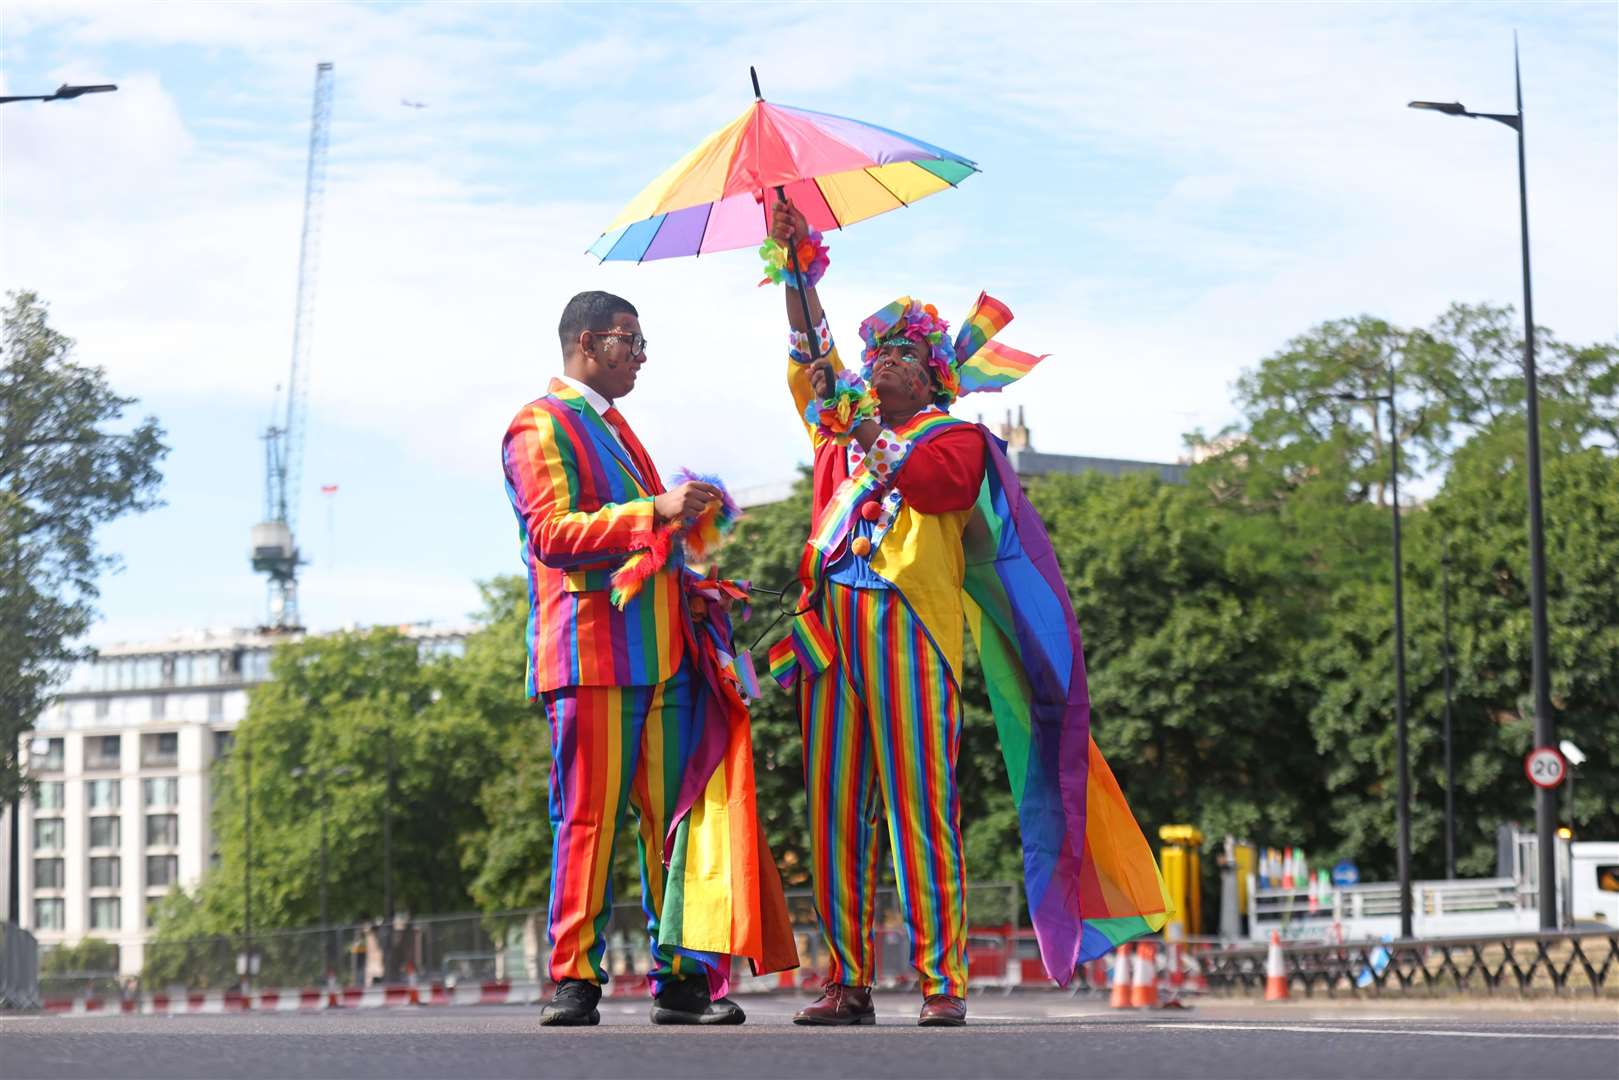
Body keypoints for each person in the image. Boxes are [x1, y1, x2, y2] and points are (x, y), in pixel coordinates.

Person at [763, 201, 1171, 1028]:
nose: (879, 363)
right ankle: (845, 978)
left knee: (921, 804)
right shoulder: (836, 429)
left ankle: (939, 980)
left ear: (930, 377)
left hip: (907, 628)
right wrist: (796, 261)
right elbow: (812, 350)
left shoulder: (956, 440)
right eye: (875, 353)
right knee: (835, 811)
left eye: (900, 357)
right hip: (829, 628)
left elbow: (927, 489)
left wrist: (875, 427)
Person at [501, 290, 793, 1026]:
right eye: (631, 342)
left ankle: (684, 980)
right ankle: (574, 977)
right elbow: (552, 535)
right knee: (588, 820)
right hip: (591, 653)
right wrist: (654, 510)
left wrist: (691, 565)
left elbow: (640, 543)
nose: (639, 357)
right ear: (590, 342)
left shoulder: (617, 429)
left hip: (663, 653)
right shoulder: (539, 423)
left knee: (677, 818)